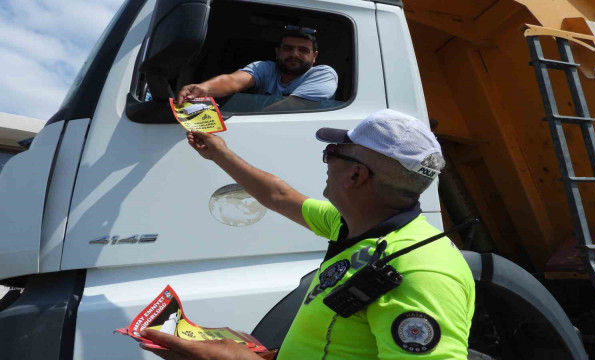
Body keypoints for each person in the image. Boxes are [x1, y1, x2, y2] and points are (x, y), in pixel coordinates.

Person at [140, 109, 475, 359]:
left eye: (332, 153)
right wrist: (218, 152)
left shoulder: (420, 271)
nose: (326, 161)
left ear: (356, 175)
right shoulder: (351, 224)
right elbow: (278, 195)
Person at [177, 25, 338, 111]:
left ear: (314, 56)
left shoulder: (323, 74)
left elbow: (292, 105)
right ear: (277, 52)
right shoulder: (265, 68)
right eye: (288, 48)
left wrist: (244, 118)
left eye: (303, 50)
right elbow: (233, 80)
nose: (294, 54)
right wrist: (203, 89)